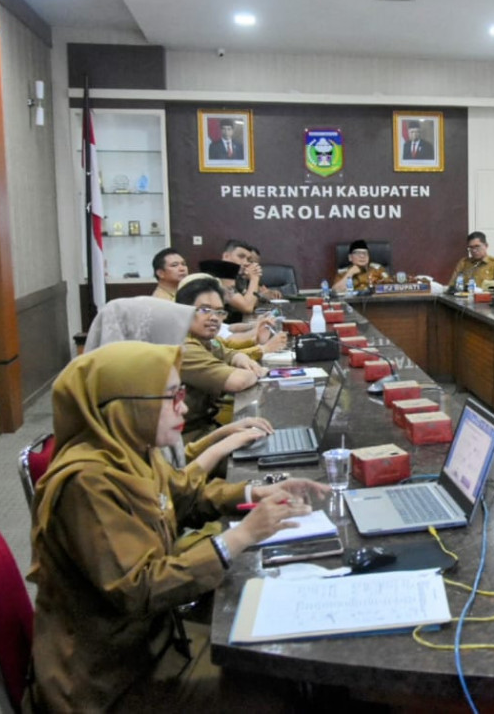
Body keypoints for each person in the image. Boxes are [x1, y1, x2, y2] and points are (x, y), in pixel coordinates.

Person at [27, 341, 326, 712]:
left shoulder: (131, 451)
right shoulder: (88, 483)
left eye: (181, 393)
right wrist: (241, 536)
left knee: (279, 660)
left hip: (155, 645)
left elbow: (183, 496)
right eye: (171, 397)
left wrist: (257, 491)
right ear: (127, 406)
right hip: (111, 683)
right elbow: (141, 588)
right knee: (276, 693)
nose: (183, 406)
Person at [83, 296, 277, 474]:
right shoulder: (98, 466)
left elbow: (174, 470)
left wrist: (225, 435)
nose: (180, 343)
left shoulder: (134, 404)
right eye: (203, 310)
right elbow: (172, 493)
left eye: (219, 311)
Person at [174, 276, 268, 446]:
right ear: (182, 311)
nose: (214, 317)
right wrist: (257, 371)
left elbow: (228, 352)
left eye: (219, 311)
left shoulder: (204, 339)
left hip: (208, 426)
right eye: (204, 310)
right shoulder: (183, 347)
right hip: (185, 438)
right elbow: (237, 382)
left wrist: (241, 358)